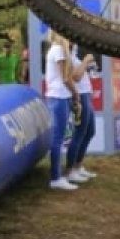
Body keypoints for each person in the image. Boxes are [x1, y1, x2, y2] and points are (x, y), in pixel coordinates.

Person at [45, 31, 81, 191]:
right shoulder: (58, 49)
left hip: (60, 96)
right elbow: (65, 77)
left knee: (59, 138)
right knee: (58, 138)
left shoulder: (58, 49)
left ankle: (57, 176)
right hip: (58, 96)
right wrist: (76, 94)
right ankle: (56, 177)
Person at [65, 44, 98, 184]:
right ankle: (70, 170)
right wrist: (85, 61)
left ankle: (78, 166)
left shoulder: (74, 51)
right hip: (80, 95)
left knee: (90, 131)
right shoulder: (65, 54)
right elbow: (76, 76)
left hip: (86, 94)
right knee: (80, 132)